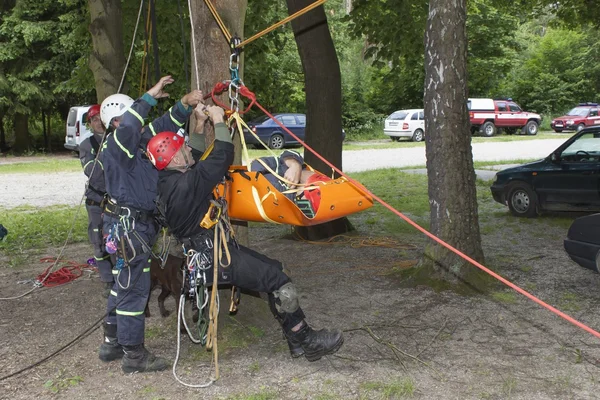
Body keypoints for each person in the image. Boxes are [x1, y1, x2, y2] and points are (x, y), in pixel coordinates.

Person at [146, 104, 344, 362]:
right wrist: (217, 120)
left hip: (210, 250)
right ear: (174, 159)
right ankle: (306, 338)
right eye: (181, 148)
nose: (186, 148)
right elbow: (223, 153)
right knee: (277, 280)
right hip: (215, 256)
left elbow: (194, 154)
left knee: (275, 267)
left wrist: (197, 125)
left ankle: (295, 342)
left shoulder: (169, 180)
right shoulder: (187, 183)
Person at [98, 75, 205, 374]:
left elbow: (161, 128)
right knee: (135, 289)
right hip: (129, 228)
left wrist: (183, 105)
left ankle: (112, 342)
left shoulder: (134, 142)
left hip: (129, 226)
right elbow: (134, 125)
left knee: (123, 283)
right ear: (118, 122)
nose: (140, 123)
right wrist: (147, 97)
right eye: (131, 116)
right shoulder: (118, 146)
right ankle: (133, 355)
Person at [78, 104, 114, 298]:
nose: (98, 122)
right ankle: (107, 280)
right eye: (94, 119)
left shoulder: (117, 139)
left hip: (116, 200)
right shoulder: (87, 145)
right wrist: (106, 151)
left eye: (100, 118)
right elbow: (93, 172)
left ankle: (120, 278)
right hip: (96, 200)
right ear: (90, 123)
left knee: (116, 240)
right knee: (99, 242)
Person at [250, 151, 332, 215]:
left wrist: (294, 165)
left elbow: (256, 164)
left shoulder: (282, 195)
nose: (312, 174)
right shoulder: (291, 171)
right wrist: (295, 165)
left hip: (249, 187)